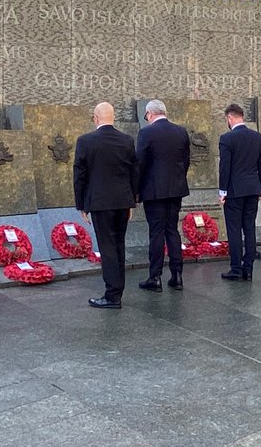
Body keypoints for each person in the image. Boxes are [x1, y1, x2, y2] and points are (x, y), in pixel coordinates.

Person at [73, 102, 139, 310]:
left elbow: (79, 175)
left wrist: (81, 204)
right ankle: (117, 289)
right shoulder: (126, 140)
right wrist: (132, 201)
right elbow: (133, 173)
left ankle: (112, 296)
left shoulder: (86, 141)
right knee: (118, 245)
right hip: (122, 201)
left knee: (107, 247)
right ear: (113, 117)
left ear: (95, 117)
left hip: (100, 203)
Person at [135, 99, 191, 292]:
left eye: (146, 116)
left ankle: (155, 277)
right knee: (172, 231)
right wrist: (176, 181)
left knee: (156, 233)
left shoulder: (146, 132)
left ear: (150, 114)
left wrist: (136, 191)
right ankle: (177, 276)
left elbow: (139, 164)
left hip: (154, 192)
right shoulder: (181, 132)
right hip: (176, 191)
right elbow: (185, 161)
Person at [218, 103, 261, 282]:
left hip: (234, 190)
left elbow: (225, 167)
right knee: (249, 227)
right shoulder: (256, 137)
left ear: (230, 118)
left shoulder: (227, 138)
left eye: (226, 120)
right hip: (253, 188)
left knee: (234, 229)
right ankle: (249, 268)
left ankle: (236, 268)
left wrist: (222, 191)